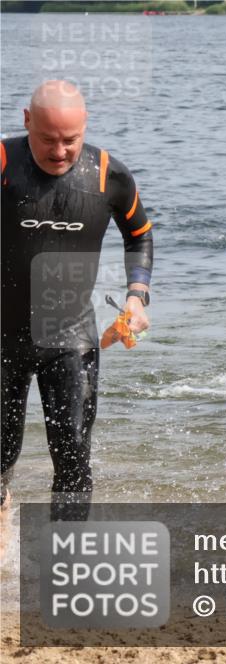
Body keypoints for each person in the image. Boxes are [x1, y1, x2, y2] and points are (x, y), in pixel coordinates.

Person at [1, 80, 153, 523]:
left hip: (70, 339)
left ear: (85, 127)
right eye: (48, 138)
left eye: (71, 139)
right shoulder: (5, 162)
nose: (60, 150)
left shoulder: (108, 174)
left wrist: (136, 297)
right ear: (27, 121)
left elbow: (139, 235)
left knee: (72, 459)